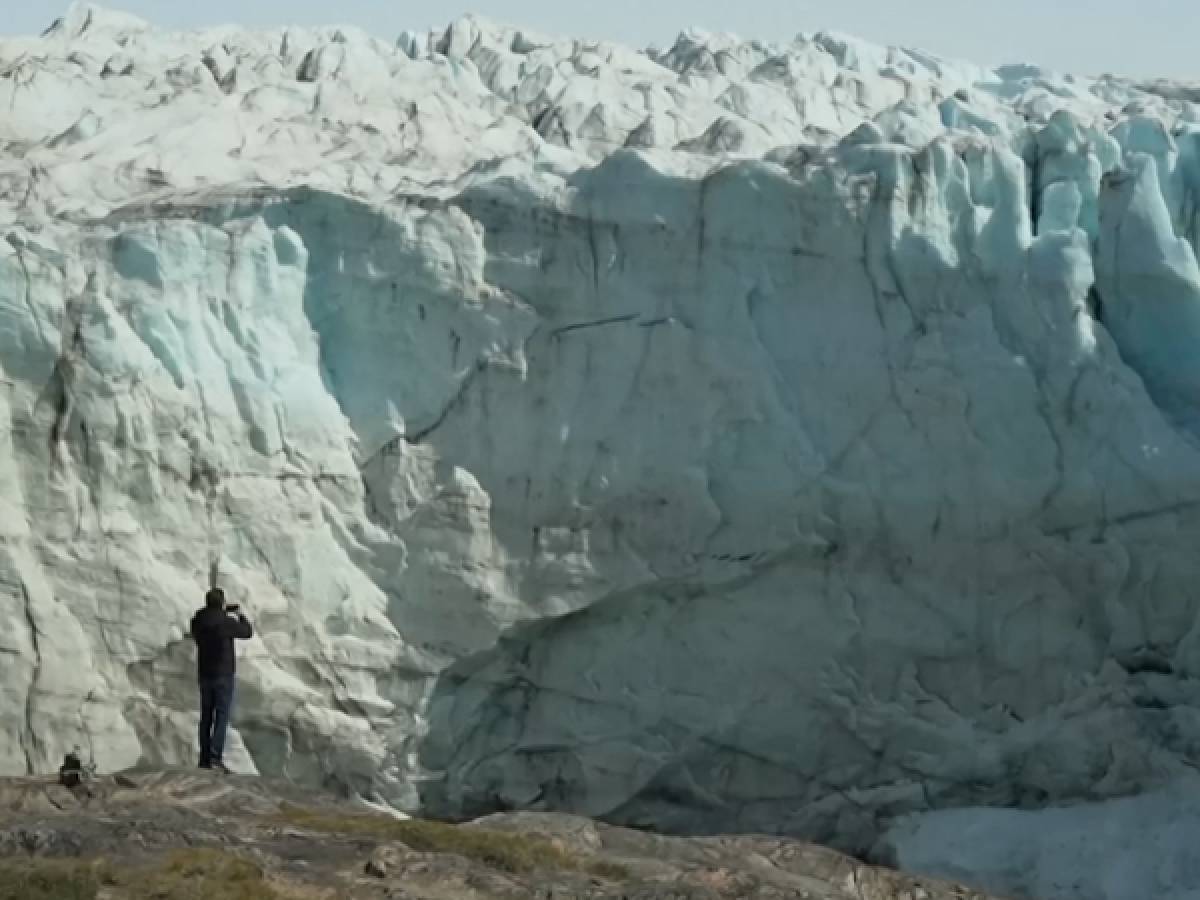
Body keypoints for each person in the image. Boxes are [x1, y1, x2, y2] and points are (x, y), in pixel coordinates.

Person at [190, 587, 253, 773]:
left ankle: (204, 759)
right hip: (223, 675)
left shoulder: (198, 621)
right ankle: (215, 757)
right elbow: (247, 632)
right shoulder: (226, 622)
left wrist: (220, 611)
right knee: (221, 716)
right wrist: (239, 614)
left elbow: (203, 623)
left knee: (206, 716)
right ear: (222, 603)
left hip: (204, 674)